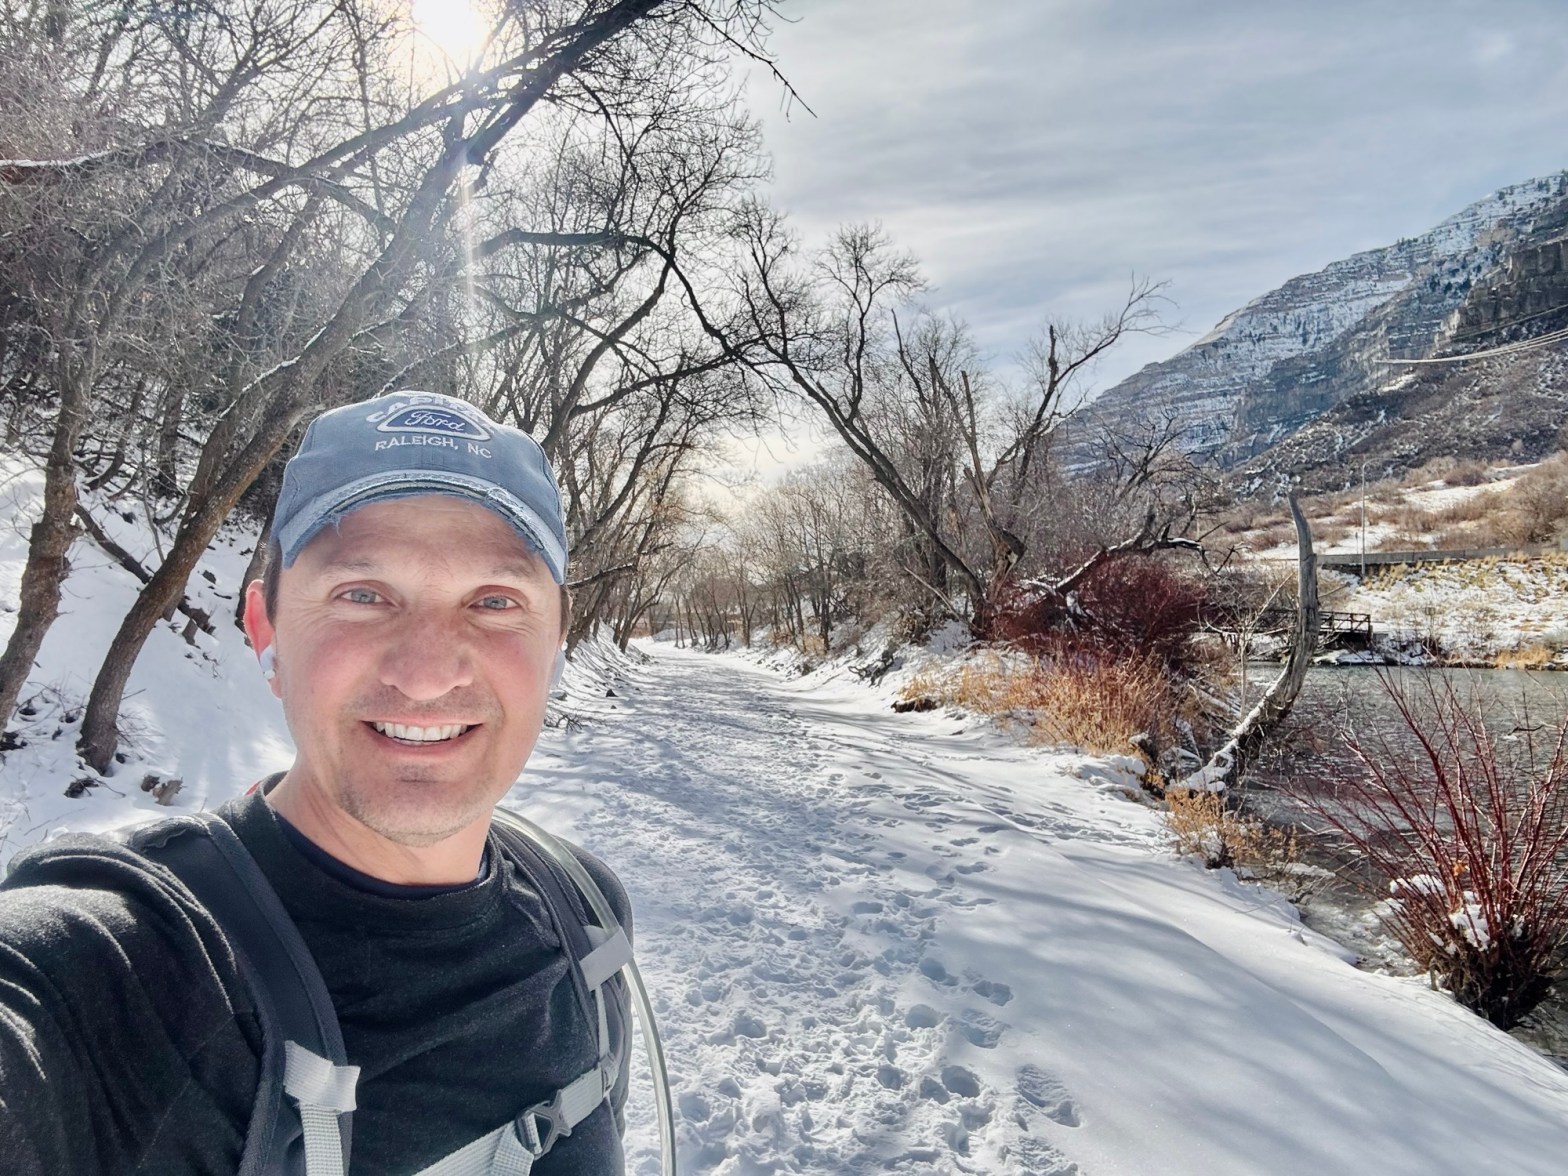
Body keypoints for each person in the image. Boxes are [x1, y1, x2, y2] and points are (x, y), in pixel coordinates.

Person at [0, 390, 631, 1174]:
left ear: (556, 642)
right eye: (361, 596)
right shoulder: (119, 971)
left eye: (494, 601)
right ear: (266, 631)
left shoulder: (589, 915)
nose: (428, 675)